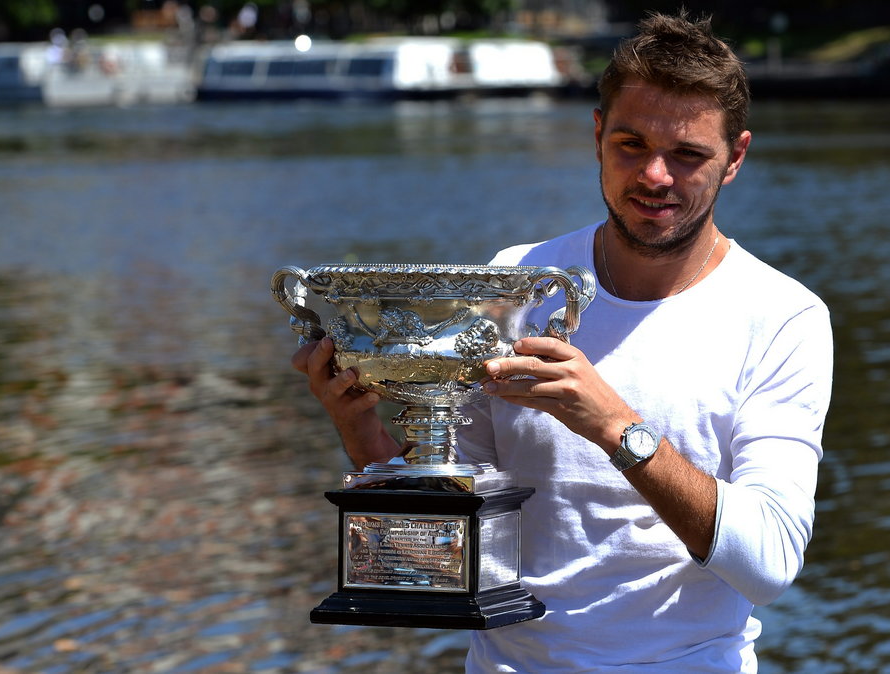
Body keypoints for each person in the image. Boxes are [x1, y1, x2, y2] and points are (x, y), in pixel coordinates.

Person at [292, 11, 833, 672]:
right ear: (599, 136)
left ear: (734, 159)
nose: (655, 175)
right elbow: (434, 558)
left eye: (688, 155)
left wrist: (615, 429)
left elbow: (771, 565)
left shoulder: (781, 316)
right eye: (631, 144)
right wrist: (362, 433)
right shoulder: (517, 284)